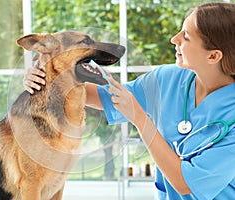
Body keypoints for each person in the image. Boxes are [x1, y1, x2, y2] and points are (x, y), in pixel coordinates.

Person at [23, 2, 235, 199]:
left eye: (186, 36)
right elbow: (103, 96)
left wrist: (140, 120)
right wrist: (47, 79)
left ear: (213, 56)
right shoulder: (167, 79)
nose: (174, 39)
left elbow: (185, 183)